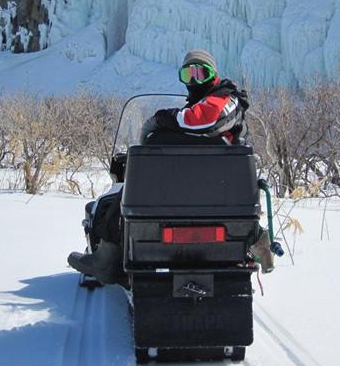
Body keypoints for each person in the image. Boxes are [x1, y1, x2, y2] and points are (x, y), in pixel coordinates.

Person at [67, 49, 274, 283]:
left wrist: (164, 119)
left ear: (213, 75)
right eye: (188, 74)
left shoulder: (226, 98)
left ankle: (106, 262)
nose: (194, 80)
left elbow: (205, 119)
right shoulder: (201, 102)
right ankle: (111, 256)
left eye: (201, 73)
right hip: (199, 185)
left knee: (130, 191)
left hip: (218, 187)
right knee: (124, 198)